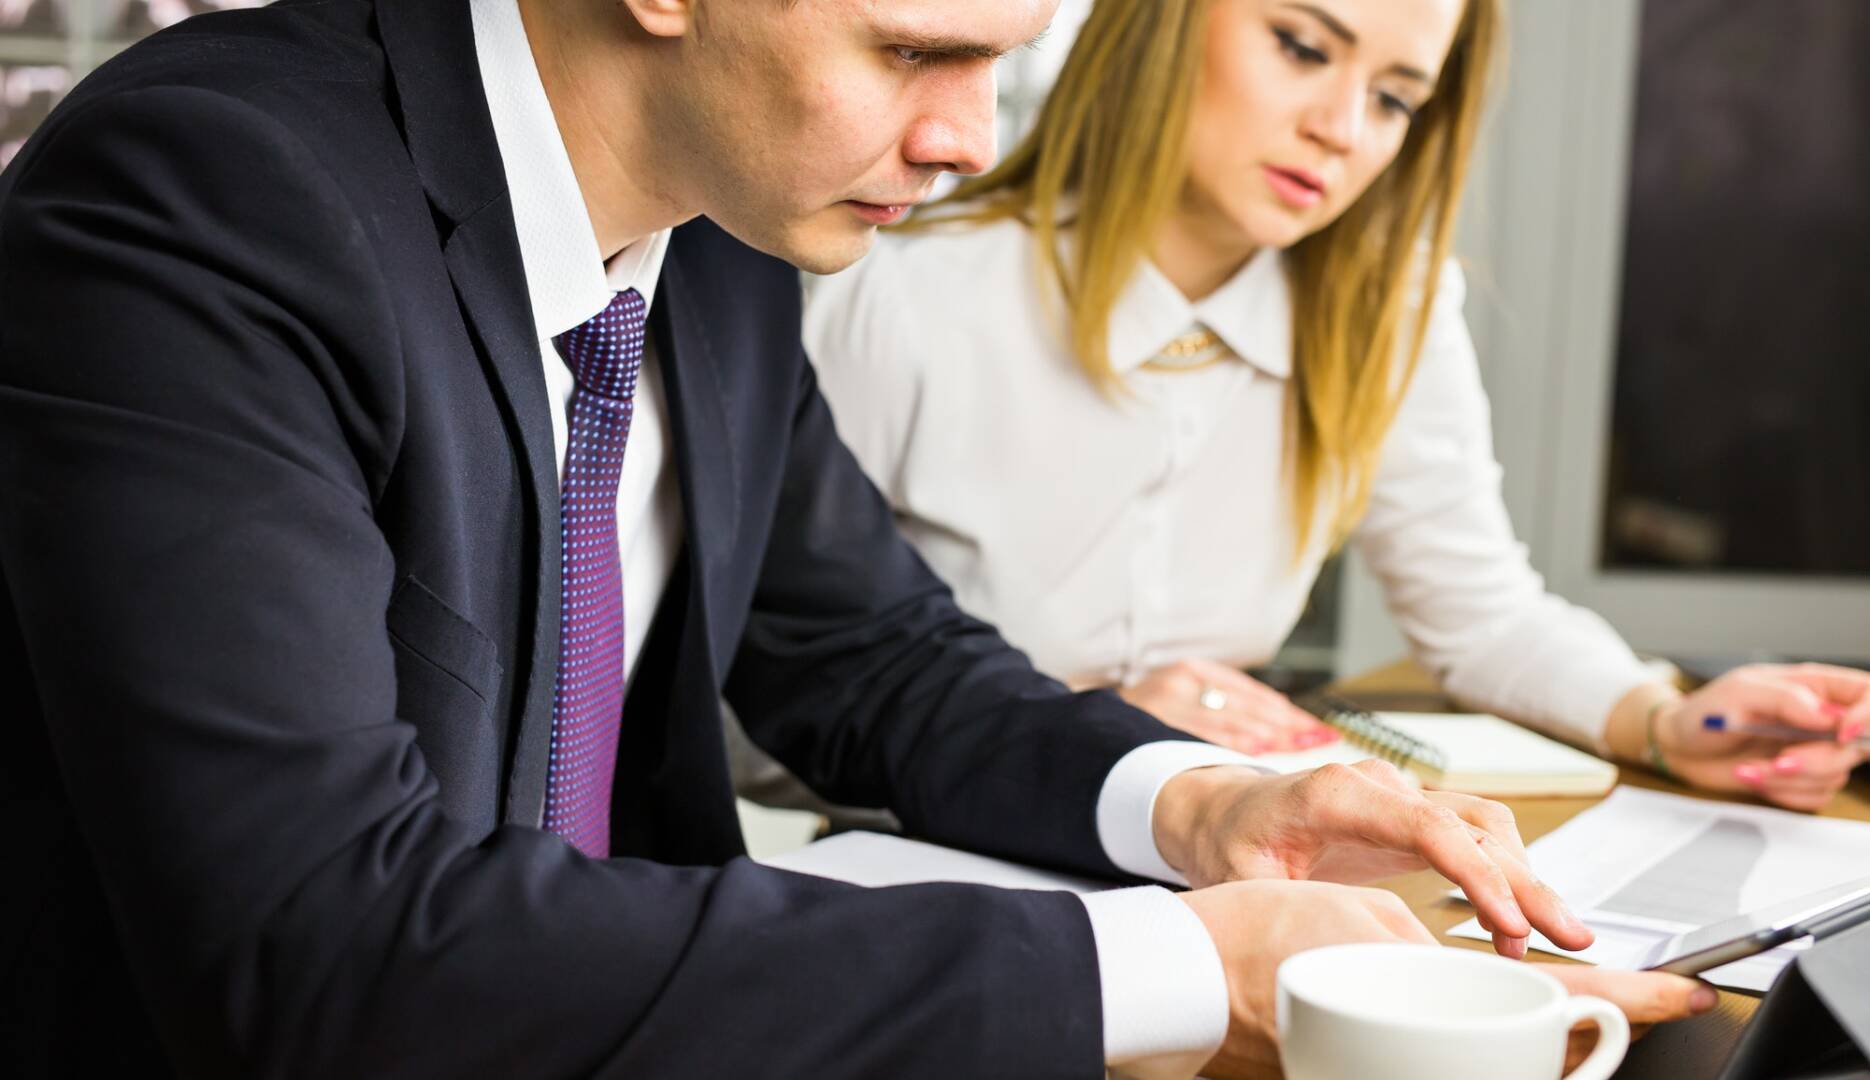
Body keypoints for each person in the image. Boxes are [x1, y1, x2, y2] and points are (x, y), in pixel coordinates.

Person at [0, 0, 1710, 1076]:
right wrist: (1175, 966)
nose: (967, 139)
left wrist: (1202, 809)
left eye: (997, 61)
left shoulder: (727, 227)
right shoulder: (214, 189)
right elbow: (322, 945)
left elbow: (870, 654)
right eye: (913, 53)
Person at [803, 0, 1870, 809]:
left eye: (1396, 97)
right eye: (1303, 47)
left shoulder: (1383, 305)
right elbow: (776, 713)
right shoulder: (901, 293)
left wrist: (1666, 720)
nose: (1343, 127)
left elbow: (1482, 614)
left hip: (1222, 855)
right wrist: (1064, 727)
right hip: (942, 872)